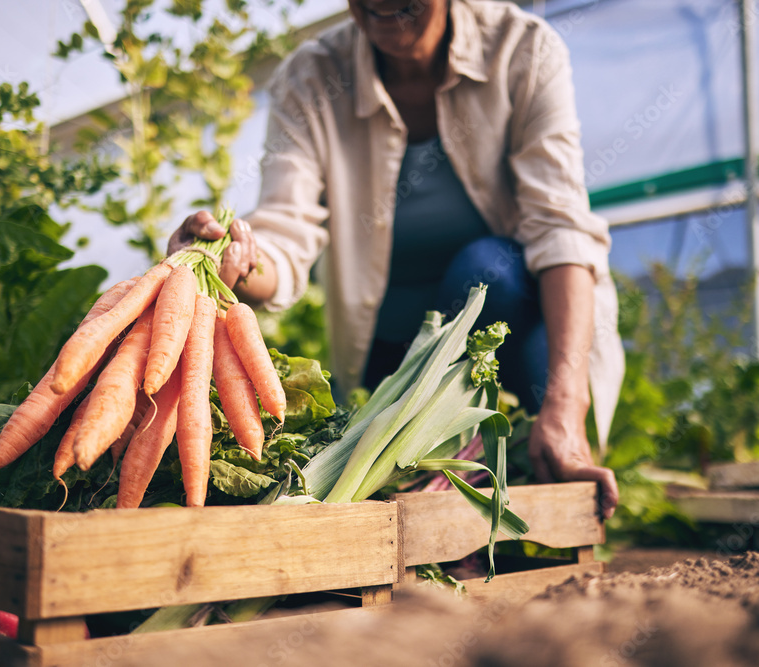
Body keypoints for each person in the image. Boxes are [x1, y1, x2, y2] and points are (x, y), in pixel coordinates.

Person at [168, 0, 624, 518]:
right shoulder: (314, 76)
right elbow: (286, 231)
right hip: (392, 363)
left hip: (519, 336)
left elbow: (560, 229)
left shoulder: (522, 50)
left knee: (487, 270)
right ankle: (460, 493)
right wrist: (237, 259)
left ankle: (537, 451)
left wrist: (567, 405)